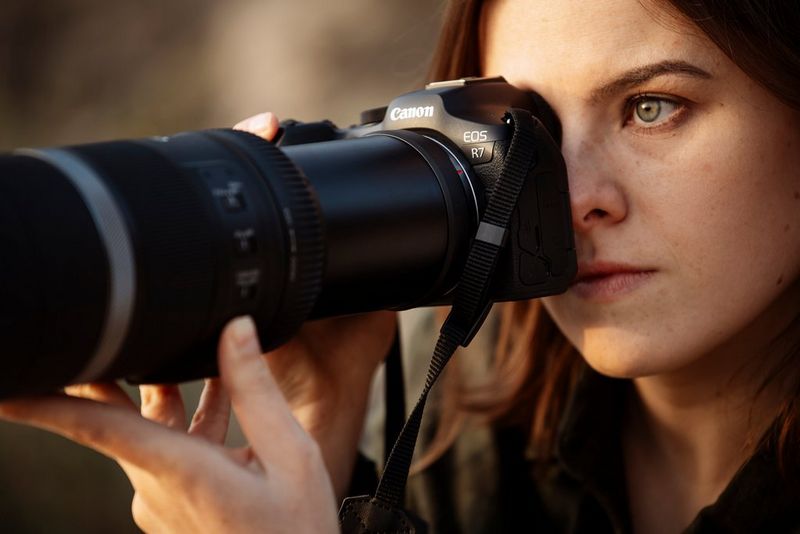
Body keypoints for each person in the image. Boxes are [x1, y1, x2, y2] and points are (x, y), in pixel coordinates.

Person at [1, 0, 798, 532]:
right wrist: (325, 449)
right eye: (529, 134)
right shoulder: (460, 414)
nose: (574, 197)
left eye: (653, 107)